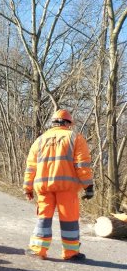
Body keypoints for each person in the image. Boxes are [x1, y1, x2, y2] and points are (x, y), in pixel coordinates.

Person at [23, 109, 94, 261]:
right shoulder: (75, 138)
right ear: (68, 123)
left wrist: (27, 187)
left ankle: (38, 250)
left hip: (43, 187)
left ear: (53, 123)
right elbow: (82, 165)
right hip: (66, 187)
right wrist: (88, 186)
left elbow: (31, 167)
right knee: (69, 220)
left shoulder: (40, 140)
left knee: (43, 218)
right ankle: (70, 253)